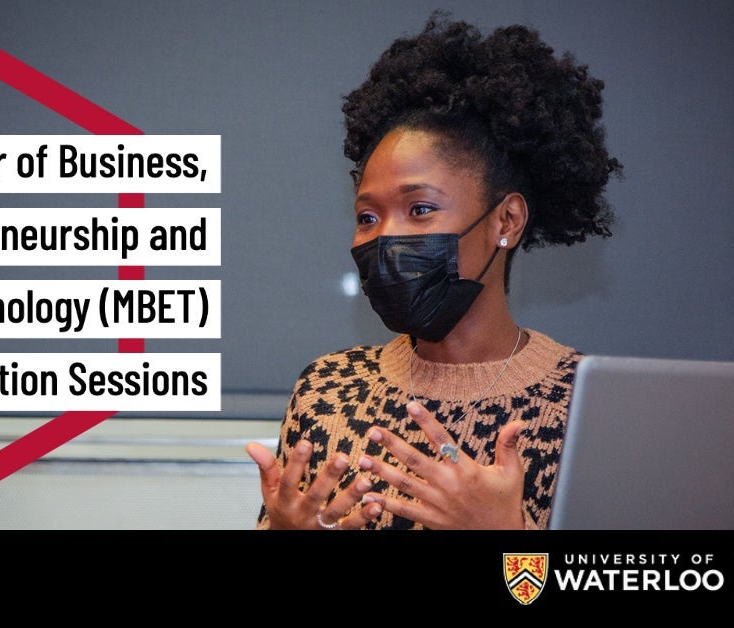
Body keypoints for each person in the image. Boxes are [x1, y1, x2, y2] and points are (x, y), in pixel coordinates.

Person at [246, 13, 621, 530]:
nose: (383, 237)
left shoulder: (584, 406)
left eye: (420, 209)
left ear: (506, 221)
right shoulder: (327, 389)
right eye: (367, 217)